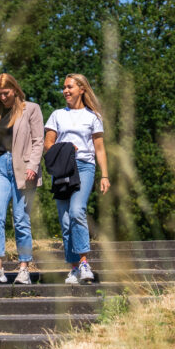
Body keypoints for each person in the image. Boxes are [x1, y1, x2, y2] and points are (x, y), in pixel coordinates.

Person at [0, 73, 44, 284]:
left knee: (21, 219)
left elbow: (38, 140)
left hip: (23, 167)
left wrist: (33, 165)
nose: (3, 97)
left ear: (15, 89)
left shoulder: (31, 109)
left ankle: (24, 268)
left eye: (6, 93)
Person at [44, 74, 110, 284]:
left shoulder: (93, 117)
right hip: (62, 169)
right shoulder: (57, 115)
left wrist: (105, 175)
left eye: (69, 87)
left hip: (84, 166)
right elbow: (48, 144)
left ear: (82, 89)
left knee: (76, 210)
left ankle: (83, 263)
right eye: (63, 87)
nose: (65, 91)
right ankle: (73, 268)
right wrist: (64, 149)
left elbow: (99, 149)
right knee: (65, 221)